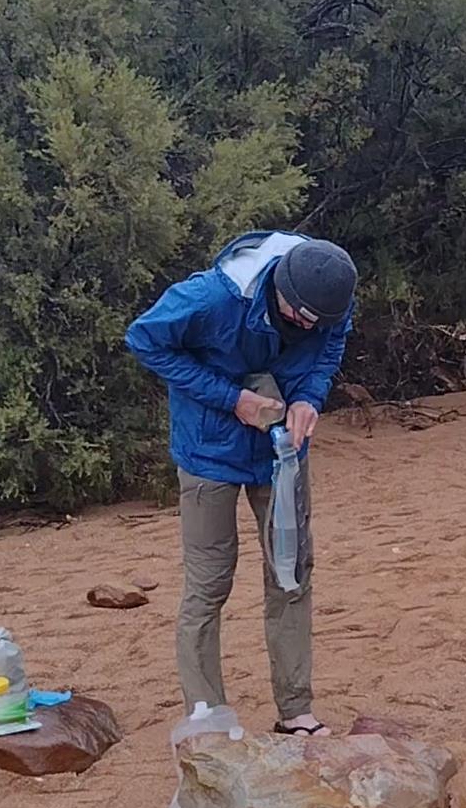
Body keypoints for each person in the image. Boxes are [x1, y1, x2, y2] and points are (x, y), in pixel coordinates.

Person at [126, 231, 357, 734]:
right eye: (300, 317)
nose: (309, 327)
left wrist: (309, 398)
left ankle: (295, 711)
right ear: (280, 287)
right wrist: (231, 398)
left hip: (283, 452)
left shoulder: (331, 290)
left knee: (290, 573)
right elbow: (143, 338)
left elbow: (331, 343)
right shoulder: (211, 297)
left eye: (319, 320)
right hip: (208, 449)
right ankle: (207, 716)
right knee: (209, 582)